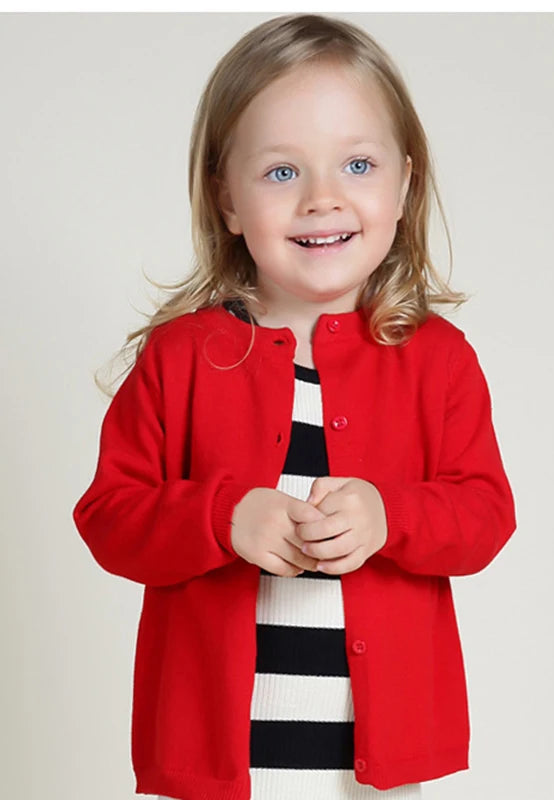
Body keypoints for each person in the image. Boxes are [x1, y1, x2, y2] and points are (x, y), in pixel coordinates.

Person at [73, 13, 516, 800]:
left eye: (356, 164)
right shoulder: (182, 358)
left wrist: (390, 516)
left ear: (405, 182)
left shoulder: (439, 361)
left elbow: (484, 514)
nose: (322, 199)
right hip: (210, 762)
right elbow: (110, 515)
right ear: (227, 199)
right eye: (282, 172)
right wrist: (220, 520)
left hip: (372, 770)